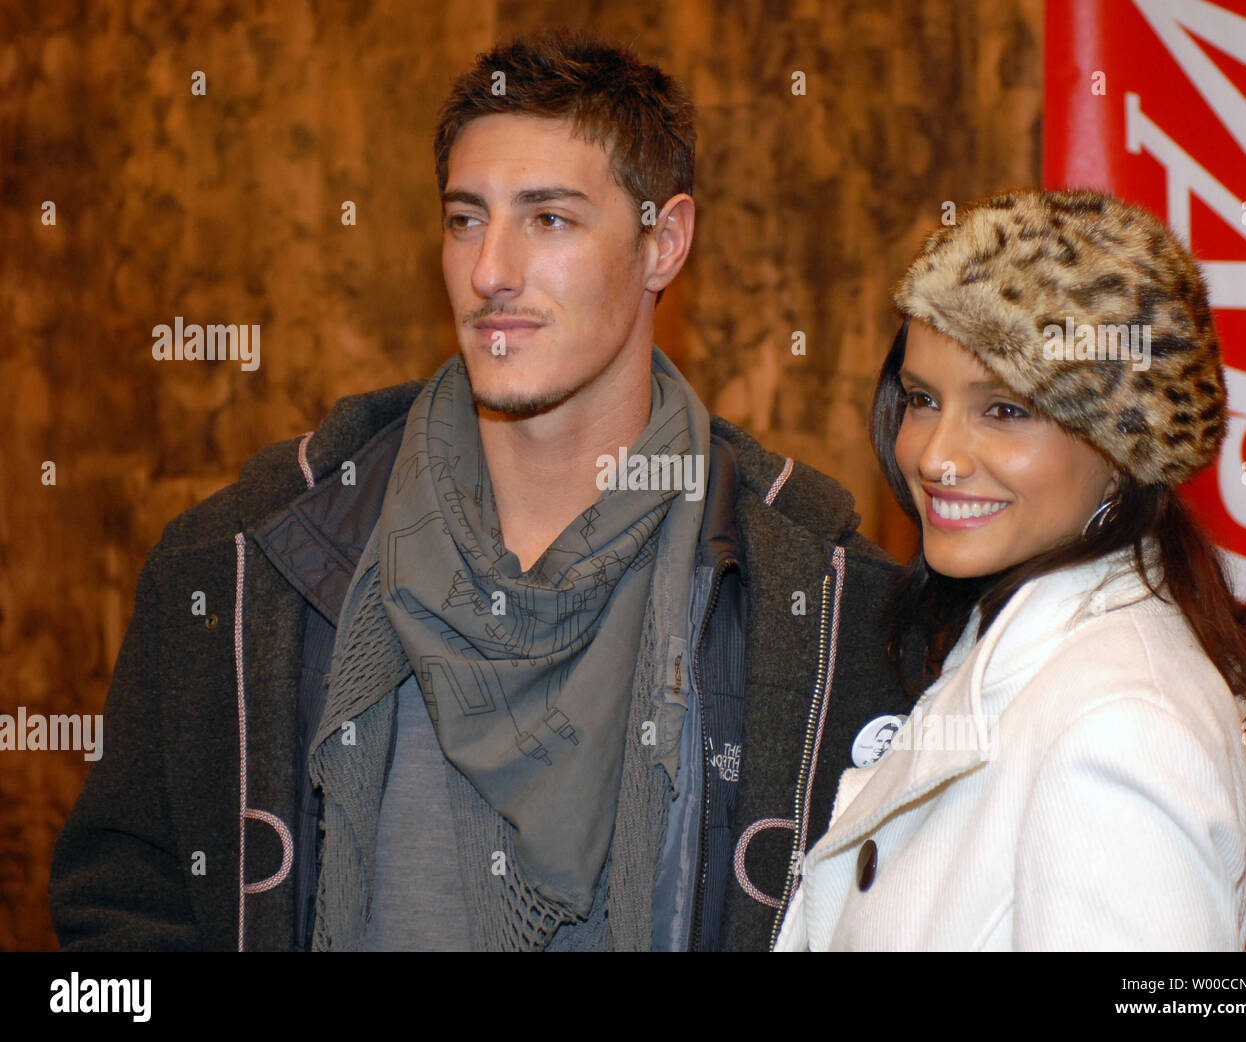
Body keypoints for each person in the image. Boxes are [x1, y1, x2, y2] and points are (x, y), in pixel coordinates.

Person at [49, 29, 912, 952]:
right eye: (467, 218)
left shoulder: (822, 607)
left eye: (548, 219)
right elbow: (125, 912)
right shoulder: (244, 566)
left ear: (664, 243)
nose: (491, 270)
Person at [775, 188, 1246, 951]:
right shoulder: (1020, 648)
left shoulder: (1118, 727)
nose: (934, 456)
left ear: (1122, 449)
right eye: (923, 399)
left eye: (1003, 410)